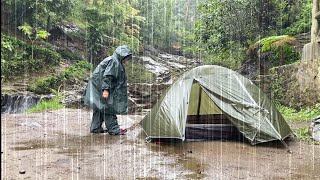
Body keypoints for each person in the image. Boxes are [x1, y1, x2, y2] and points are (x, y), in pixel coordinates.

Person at [83, 45, 132, 135]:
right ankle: (114, 129)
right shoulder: (114, 61)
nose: (127, 60)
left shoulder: (114, 61)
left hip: (97, 86)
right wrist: (106, 90)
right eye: (126, 58)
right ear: (122, 55)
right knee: (108, 108)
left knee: (100, 107)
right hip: (102, 87)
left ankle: (95, 128)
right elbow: (108, 76)